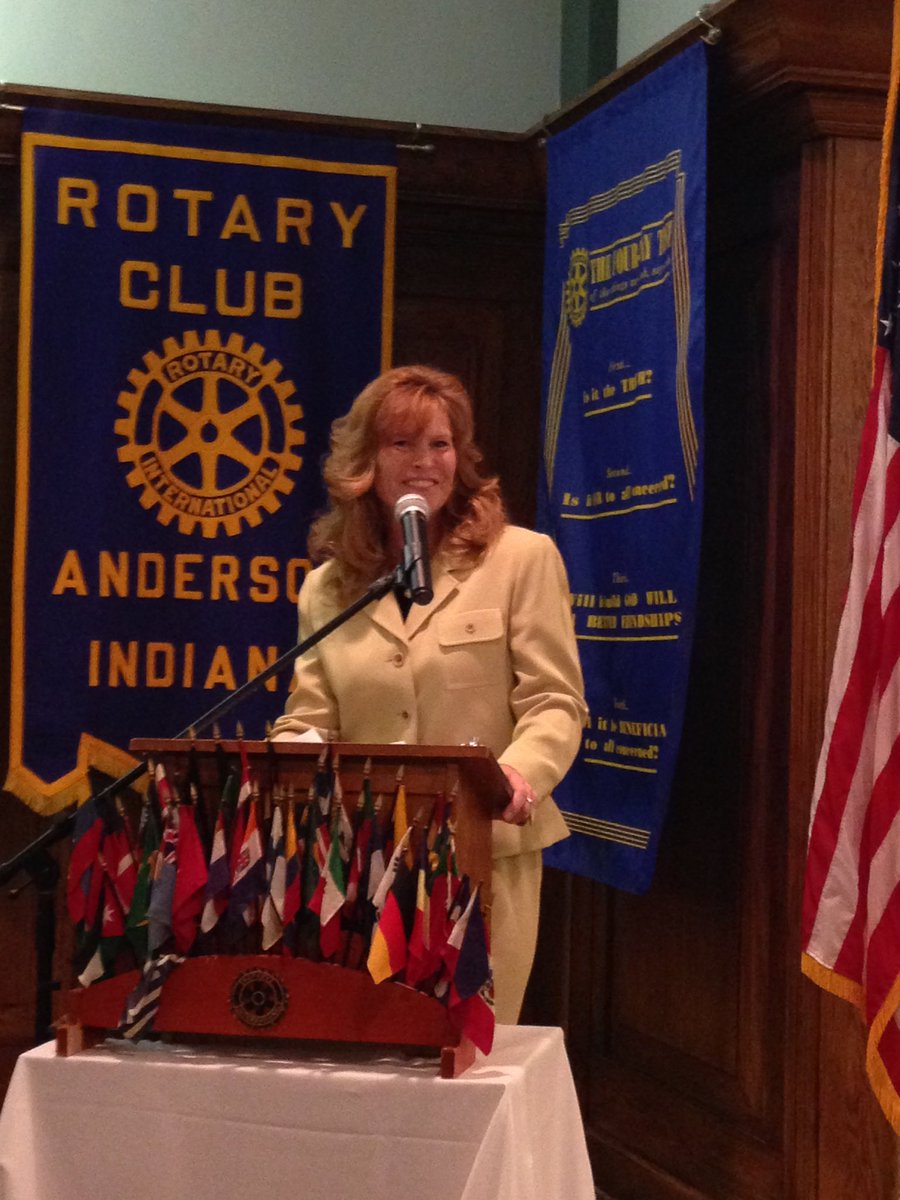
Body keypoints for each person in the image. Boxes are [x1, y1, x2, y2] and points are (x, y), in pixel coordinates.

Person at [271, 364, 587, 1022]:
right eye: (402, 444)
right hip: (364, 861)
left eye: (440, 444)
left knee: (471, 1048)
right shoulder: (327, 589)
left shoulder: (520, 559)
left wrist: (519, 775)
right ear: (365, 462)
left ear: (461, 457)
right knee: (373, 1044)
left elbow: (555, 702)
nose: (424, 462)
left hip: (485, 851)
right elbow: (310, 717)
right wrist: (294, 752)